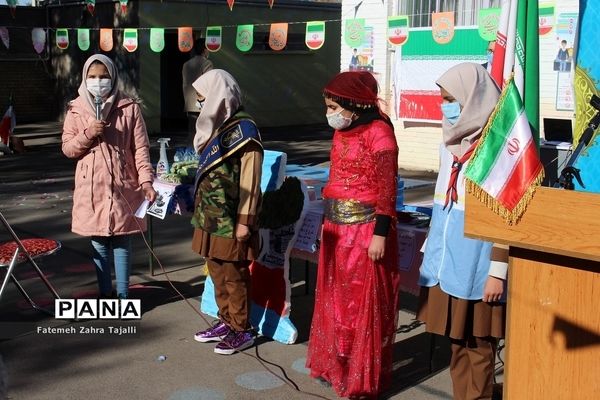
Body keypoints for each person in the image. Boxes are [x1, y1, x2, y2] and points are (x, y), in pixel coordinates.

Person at [305, 71, 400, 399]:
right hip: (336, 231)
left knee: (359, 307)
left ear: (353, 105)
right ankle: (340, 367)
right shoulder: (342, 132)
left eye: (333, 106)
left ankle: (360, 376)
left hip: (364, 233)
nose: (329, 113)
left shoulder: (380, 134)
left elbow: (387, 190)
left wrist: (381, 234)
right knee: (336, 305)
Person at [417, 63, 508, 400]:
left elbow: (508, 214)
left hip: (479, 265)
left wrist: (498, 271)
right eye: (443, 99)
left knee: (480, 345)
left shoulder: (500, 146)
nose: (445, 106)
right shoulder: (449, 139)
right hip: (447, 261)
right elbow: (444, 202)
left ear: (473, 98)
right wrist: (430, 247)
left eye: (451, 99)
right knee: (456, 343)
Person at [62, 54, 157, 299]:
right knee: (99, 242)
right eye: (92, 77)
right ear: (84, 78)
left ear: (113, 77)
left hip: (123, 185)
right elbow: (68, 148)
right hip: (91, 187)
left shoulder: (129, 107)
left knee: (122, 240)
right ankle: (105, 295)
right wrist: (88, 133)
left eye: (103, 76)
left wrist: (146, 181)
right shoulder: (76, 109)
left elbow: (141, 149)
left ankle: (123, 296)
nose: (98, 81)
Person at [190, 69, 263, 355]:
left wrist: (246, 221)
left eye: (202, 98)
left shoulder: (245, 130)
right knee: (216, 271)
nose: (199, 103)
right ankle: (226, 321)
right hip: (210, 215)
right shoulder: (216, 127)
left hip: (233, 218)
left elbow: (251, 180)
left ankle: (242, 329)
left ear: (218, 97)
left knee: (235, 274)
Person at [182, 38, 214, 145]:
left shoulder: (186, 64)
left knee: (192, 132)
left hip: (190, 104)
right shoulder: (207, 63)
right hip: (203, 103)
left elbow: (185, 84)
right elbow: (209, 84)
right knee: (205, 132)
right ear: (205, 50)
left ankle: (190, 155)